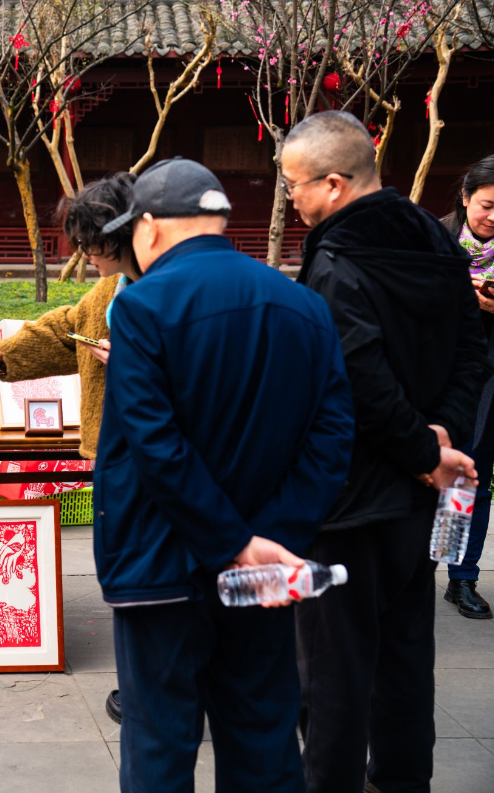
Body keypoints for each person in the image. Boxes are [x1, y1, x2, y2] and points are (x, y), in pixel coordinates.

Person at [94, 157, 355, 792]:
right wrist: (270, 540)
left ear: (148, 227)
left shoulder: (141, 307)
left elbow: (155, 446)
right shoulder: (303, 304)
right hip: (265, 569)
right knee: (263, 736)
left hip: (161, 563)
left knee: (160, 742)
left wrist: (232, 542)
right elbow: (332, 436)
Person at [282, 111, 491, 793]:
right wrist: (442, 434)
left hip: (348, 496)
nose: (290, 198)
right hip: (421, 494)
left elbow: (356, 375)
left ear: (333, 183)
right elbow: (472, 352)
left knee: (332, 669)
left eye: (293, 184)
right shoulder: (436, 240)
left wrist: (421, 448)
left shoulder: (335, 260)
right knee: (404, 655)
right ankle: (402, 780)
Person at [0, 173, 140, 724]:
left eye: (92, 242)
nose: (86, 254)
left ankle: (161, 692)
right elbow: (67, 327)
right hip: (114, 453)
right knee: (125, 576)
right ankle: (144, 683)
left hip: (164, 461)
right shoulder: (110, 290)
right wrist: (3, 353)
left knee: (153, 579)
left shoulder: (173, 290)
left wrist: (137, 361)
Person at [441, 155, 494, 619]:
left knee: (477, 476)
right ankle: (421, 568)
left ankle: (462, 576)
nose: (493, 217)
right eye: (487, 205)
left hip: (491, 380)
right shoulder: (437, 241)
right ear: (465, 197)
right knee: (448, 475)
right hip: (446, 376)